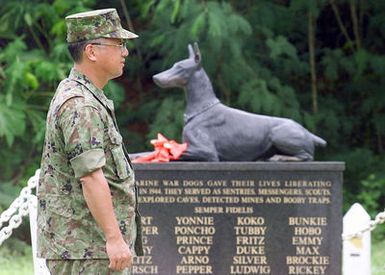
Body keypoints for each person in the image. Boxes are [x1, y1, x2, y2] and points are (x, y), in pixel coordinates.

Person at [37, 8, 142, 274]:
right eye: (118, 44)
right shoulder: (80, 106)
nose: (125, 52)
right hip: (87, 250)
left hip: (90, 248)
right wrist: (114, 238)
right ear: (91, 52)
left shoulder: (85, 97)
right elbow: (91, 177)